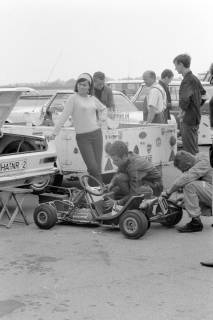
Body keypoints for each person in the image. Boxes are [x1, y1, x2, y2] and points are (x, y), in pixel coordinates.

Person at [49, 73, 107, 183]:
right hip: (83, 138)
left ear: (89, 87)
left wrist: (101, 121)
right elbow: (64, 116)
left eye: (85, 85)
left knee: (97, 168)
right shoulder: (73, 98)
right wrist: (54, 133)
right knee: (92, 167)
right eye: (80, 84)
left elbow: (104, 109)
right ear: (77, 85)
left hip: (97, 134)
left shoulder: (93, 99)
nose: (82, 87)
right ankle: (99, 190)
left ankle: (96, 192)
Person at [104, 140, 163, 208]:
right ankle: (127, 199)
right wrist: (111, 183)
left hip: (155, 186)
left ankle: (147, 199)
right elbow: (119, 171)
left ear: (124, 157)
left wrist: (117, 202)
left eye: (116, 160)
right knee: (118, 180)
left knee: (134, 193)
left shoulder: (134, 166)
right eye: (113, 160)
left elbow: (134, 193)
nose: (114, 163)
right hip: (143, 180)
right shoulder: (126, 155)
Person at [164, 150, 213, 233]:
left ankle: (196, 223)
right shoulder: (197, 161)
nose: (183, 172)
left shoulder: (203, 162)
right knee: (185, 201)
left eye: (183, 170)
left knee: (189, 186)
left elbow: (186, 178)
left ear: (188, 164)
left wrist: (168, 192)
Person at [173, 54, 206, 155]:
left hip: (188, 119)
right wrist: (196, 107)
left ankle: (195, 170)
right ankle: (197, 169)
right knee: (193, 148)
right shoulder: (195, 79)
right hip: (195, 118)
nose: (175, 68)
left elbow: (185, 100)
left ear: (181, 64)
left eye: (176, 65)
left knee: (190, 152)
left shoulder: (187, 80)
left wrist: (181, 114)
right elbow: (205, 96)